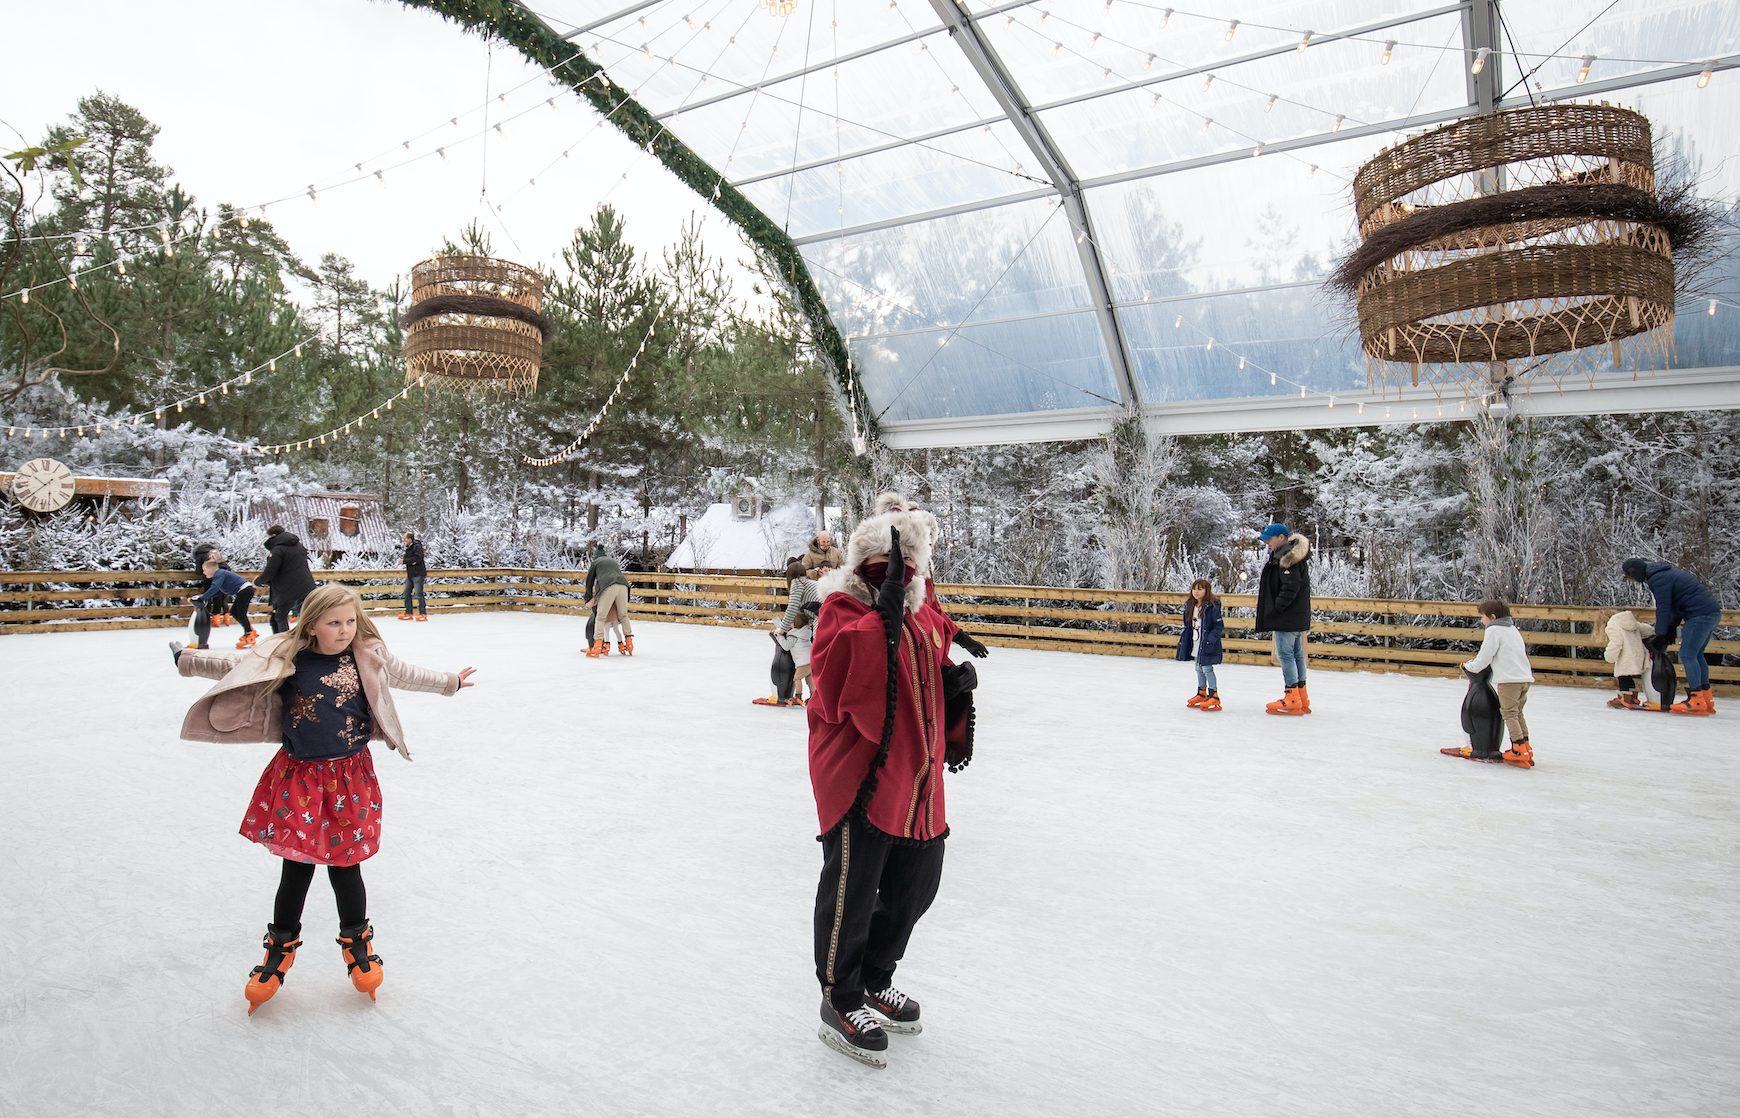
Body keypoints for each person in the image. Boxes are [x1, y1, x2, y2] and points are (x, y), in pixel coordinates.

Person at [167, 583, 476, 1014]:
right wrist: (187, 659)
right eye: (335, 623)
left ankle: (356, 942)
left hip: (350, 778)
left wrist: (451, 682)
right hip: (301, 779)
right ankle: (280, 947)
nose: (346, 629)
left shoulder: (367, 653)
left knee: (347, 868)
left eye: (350, 621)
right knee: (296, 870)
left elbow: (404, 674)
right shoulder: (287, 656)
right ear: (311, 624)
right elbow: (234, 664)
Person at [806, 506, 973, 1069]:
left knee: (915, 888)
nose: (892, 574)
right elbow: (833, 687)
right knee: (852, 892)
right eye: (879, 564)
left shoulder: (923, 611)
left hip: (916, 777)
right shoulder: (843, 609)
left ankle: (876, 976)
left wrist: (955, 683)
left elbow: (930, 654)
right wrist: (883, 616)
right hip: (861, 776)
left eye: (900, 566)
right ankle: (841, 995)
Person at [1623, 558, 1722, 716]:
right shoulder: (1664, 574)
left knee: (1687, 655)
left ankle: (1696, 699)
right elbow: (1676, 605)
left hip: (1699, 615)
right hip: (1711, 613)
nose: (1634, 581)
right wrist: (1670, 627)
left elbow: (1663, 607)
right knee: (1697, 655)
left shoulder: (1657, 579)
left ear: (1637, 572)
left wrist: (1661, 634)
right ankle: (1705, 699)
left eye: (1632, 577)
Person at [1461, 598, 1535, 768]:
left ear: (1492, 617)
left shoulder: (1494, 630)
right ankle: (1525, 746)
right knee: (1517, 713)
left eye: (1483, 617)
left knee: (1509, 713)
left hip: (1509, 680)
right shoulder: (1512, 630)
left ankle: (1518, 749)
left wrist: (1470, 667)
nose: (1481, 621)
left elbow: (1486, 655)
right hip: (1524, 677)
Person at [1254, 523, 1312, 715]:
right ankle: (1301, 696)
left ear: (1281, 537)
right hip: (1295, 616)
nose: (1268, 544)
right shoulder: (1291, 555)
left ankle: (1292, 697)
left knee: (1286, 655)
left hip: (1287, 617)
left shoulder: (1288, 558)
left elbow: (1291, 586)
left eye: (1269, 540)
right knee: (1296, 654)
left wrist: (1277, 607)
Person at [773, 556, 828, 707]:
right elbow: (805, 611)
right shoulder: (809, 582)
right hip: (825, 613)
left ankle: (820, 694)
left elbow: (792, 608)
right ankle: (817, 693)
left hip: (823, 615)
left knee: (818, 652)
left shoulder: (797, 583)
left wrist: (782, 629)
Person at [257, 526, 317, 635]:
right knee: (305, 615)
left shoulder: (277, 550)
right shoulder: (299, 546)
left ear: (273, 536)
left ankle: (283, 641)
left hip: (287, 588)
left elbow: (270, 571)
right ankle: (309, 639)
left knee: (280, 616)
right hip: (306, 585)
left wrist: (258, 581)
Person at [1177, 578, 1225, 711]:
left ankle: (1213, 694)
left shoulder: (1212, 606)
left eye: (1200, 589)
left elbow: (1218, 626)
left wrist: (1210, 640)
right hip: (1195, 641)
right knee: (1198, 667)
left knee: (1207, 669)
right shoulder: (1190, 605)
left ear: (1207, 590)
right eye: (1194, 589)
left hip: (1207, 642)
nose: (1196, 592)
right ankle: (1201, 692)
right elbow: (1188, 623)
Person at [584, 543, 635, 657]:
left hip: (609, 587)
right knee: (623, 615)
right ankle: (629, 642)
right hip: (623, 586)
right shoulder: (613, 562)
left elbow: (589, 582)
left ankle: (597, 645)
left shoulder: (595, 563)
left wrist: (588, 598)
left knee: (601, 617)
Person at [1599, 607, 1654, 710]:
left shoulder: (1613, 624)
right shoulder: (1630, 622)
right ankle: (1633, 697)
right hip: (1638, 653)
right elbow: (1647, 630)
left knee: (1622, 674)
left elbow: (1616, 642)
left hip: (1625, 655)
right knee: (1628, 675)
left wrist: (1610, 656)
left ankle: (1624, 698)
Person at [199, 557, 258, 650]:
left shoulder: (219, 574)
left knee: (241, 614)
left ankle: (250, 635)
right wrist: (204, 597)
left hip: (245, 590)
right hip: (244, 590)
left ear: (211, 569)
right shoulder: (219, 575)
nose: (203, 572)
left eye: (204, 570)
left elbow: (214, 587)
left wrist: (202, 597)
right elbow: (217, 592)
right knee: (234, 613)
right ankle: (250, 631)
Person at [398, 531, 427, 622]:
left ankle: (423, 613)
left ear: (410, 539)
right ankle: (409, 612)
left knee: (418, 594)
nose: (403, 541)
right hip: (411, 574)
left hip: (418, 574)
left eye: (405, 539)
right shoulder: (408, 548)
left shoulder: (417, 547)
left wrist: (405, 561)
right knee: (406, 593)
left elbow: (418, 559)